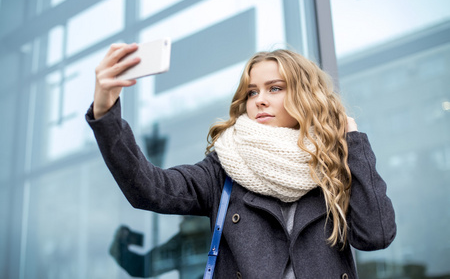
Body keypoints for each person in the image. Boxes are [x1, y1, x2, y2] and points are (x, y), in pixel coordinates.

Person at [86, 43, 396, 278]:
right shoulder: (225, 166)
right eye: (251, 92)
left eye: (275, 88)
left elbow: (376, 236)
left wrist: (352, 141)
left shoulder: (330, 164)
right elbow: (150, 188)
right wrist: (105, 111)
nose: (260, 99)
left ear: (305, 96)